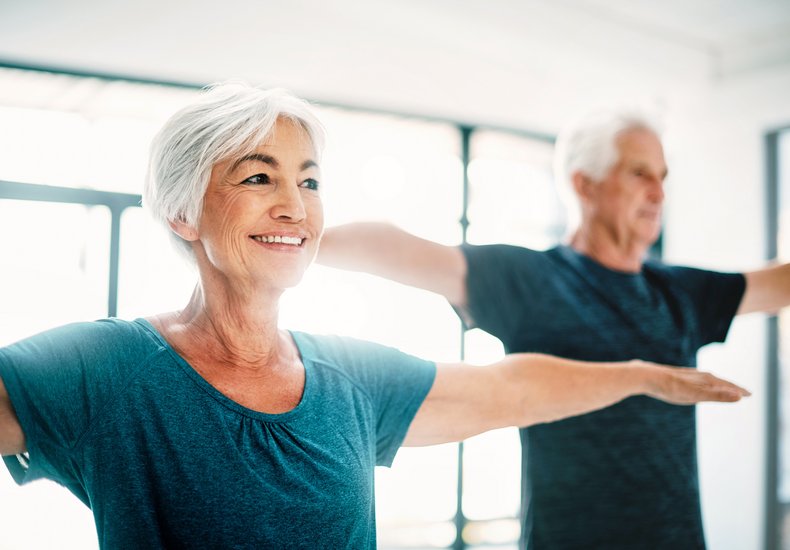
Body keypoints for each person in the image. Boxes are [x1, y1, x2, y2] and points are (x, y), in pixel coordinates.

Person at [0, 86, 749, 550]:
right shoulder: (104, 370)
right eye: (258, 176)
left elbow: (505, 390)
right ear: (181, 211)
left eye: (311, 180)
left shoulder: (347, 376)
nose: (295, 203)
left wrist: (642, 376)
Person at [317, 109, 789, 549]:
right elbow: (395, 249)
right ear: (585, 184)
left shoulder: (679, 292)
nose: (659, 193)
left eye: (663, 177)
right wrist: (283, 241)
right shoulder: (532, 280)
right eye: (639, 173)